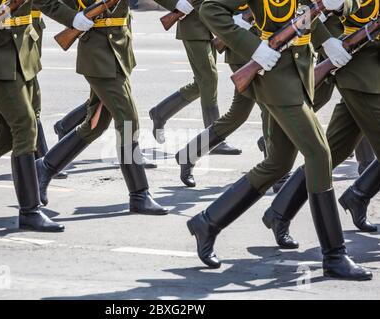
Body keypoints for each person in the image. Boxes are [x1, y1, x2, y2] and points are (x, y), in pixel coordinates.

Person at [186, 0, 372, 280]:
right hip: (275, 76)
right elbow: (210, 9)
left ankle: (208, 222)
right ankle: (334, 255)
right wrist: (254, 49)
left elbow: (304, 12)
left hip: (299, 71)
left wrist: (330, 32)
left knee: (279, 163)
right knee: (319, 154)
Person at [0, 0, 91, 232]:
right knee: (25, 125)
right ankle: (29, 210)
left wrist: (74, 20)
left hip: (25, 56)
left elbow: (47, 3)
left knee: (6, 137)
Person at [262, 0, 379, 245]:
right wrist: (328, 38)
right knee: (321, 153)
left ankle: (280, 211)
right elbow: (329, 6)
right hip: (360, 68)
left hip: (367, 72)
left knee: (332, 152)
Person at [36, 0, 168, 215]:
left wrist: (181, 4)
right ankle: (139, 194)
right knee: (128, 121)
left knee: (96, 124)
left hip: (120, 53)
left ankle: (46, 166)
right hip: (96, 55)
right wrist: (72, 18)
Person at [148, 0, 241, 155]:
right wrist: (176, 3)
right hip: (194, 25)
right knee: (209, 80)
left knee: (202, 84)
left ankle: (160, 113)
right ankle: (213, 139)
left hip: (212, 25)